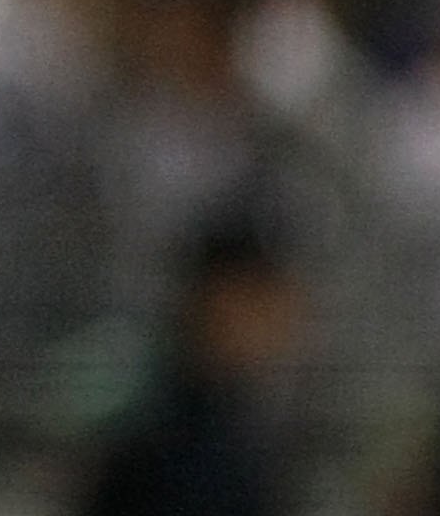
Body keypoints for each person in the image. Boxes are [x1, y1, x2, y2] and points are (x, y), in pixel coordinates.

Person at [78, 221, 309, 516]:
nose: (282, 322)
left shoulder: (224, 423)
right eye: (260, 302)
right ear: (215, 303)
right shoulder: (175, 442)